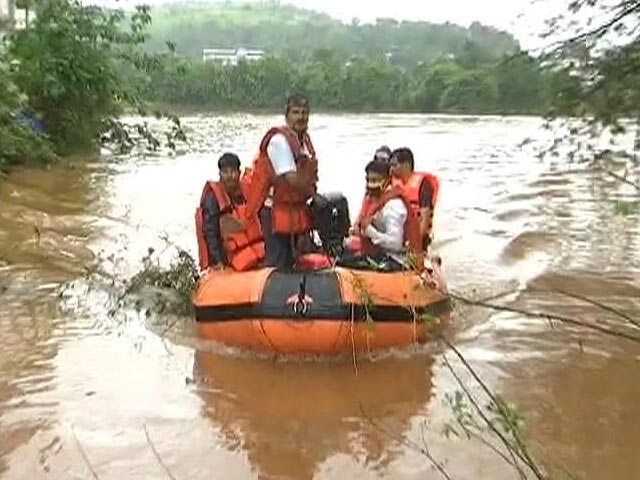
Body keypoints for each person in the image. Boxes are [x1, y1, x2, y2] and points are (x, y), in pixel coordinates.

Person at [243, 93, 318, 271]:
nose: (301, 117)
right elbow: (290, 177)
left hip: (296, 208)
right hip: (274, 210)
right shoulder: (279, 141)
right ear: (287, 116)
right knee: (278, 260)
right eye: (296, 112)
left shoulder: (304, 141)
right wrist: (316, 196)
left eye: (304, 112)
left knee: (299, 257)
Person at [345, 159, 422, 270]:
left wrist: (370, 232)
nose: (371, 184)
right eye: (368, 180)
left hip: (399, 260)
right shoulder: (376, 200)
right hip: (381, 254)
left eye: (375, 180)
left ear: (387, 180)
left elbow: (395, 243)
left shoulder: (393, 206)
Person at [195, 152, 265, 272]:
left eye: (232, 171)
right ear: (220, 174)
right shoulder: (213, 198)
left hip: (258, 256)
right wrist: (218, 262)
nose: (229, 176)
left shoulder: (247, 192)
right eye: (225, 172)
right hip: (229, 259)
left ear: (239, 173)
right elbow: (210, 232)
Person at [389, 147, 440, 250]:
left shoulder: (423, 184)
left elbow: (425, 217)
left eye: (395, 165)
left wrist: (416, 243)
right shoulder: (392, 183)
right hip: (396, 235)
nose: (391, 169)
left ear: (406, 165)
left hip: (418, 238)